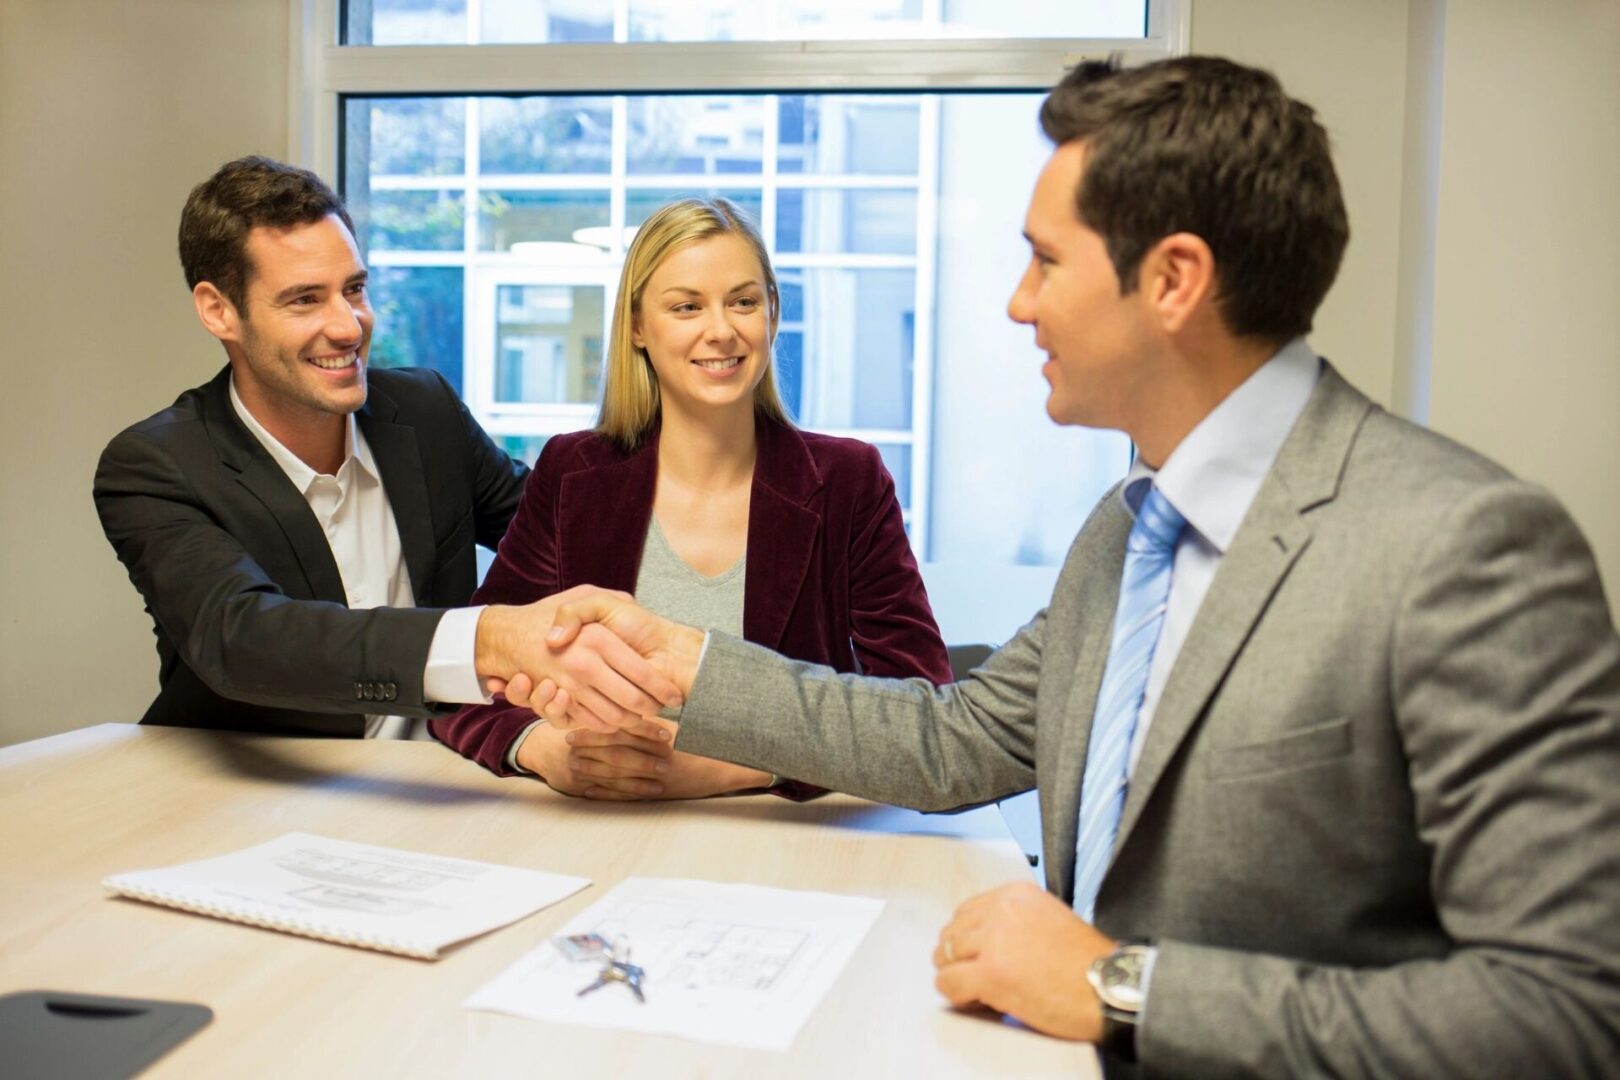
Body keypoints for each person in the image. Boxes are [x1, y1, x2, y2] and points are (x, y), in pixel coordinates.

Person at [515, 57, 1620, 1075]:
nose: (1017, 300)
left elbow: (1566, 1010)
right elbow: (949, 741)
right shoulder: (1128, 530)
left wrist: (1118, 987)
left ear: (1176, 280)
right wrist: (684, 663)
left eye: (1046, 260)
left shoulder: (1464, 547)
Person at [94, 156, 678, 740]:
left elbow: (574, 539)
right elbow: (243, 639)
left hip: (433, 786)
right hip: (249, 802)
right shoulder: (155, 466)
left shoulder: (426, 413)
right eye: (304, 300)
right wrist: (489, 639)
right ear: (219, 310)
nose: (349, 326)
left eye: (354, 289)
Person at [432, 197, 951, 798]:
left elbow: (922, 710)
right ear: (636, 327)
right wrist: (546, 751)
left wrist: (723, 769)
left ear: (773, 315)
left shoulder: (848, 480)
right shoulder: (572, 471)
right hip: (595, 833)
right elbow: (466, 680)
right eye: (686, 307)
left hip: (784, 842)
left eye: (744, 301)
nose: (722, 330)